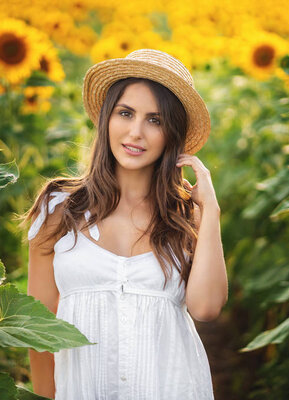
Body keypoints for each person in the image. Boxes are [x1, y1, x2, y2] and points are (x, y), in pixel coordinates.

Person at [24, 48, 227, 400]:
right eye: (125, 113)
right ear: (107, 119)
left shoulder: (186, 215)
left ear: (171, 135)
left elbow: (206, 308)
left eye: (155, 120)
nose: (136, 132)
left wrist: (210, 212)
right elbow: (40, 328)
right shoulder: (58, 210)